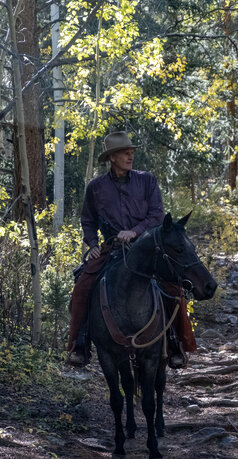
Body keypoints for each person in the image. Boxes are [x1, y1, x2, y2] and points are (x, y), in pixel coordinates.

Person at [66, 131, 190, 368]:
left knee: (174, 286)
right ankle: (79, 344)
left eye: (132, 152)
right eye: (125, 153)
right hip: (112, 249)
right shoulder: (96, 187)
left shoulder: (147, 180)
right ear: (112, 157)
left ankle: (176, 343)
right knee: (82, 285)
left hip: (147, 248)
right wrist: (92, 244)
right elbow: (88, 220)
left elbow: (156, 215)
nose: (130, 156)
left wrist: (134, 231)